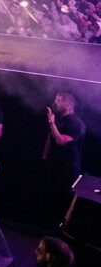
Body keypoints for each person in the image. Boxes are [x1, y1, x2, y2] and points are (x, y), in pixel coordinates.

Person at [42, 92, 87, 227]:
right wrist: (45, 156)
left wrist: (51, 122)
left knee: (63, 201)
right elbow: (50, 138)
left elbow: (61, 140)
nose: (55, 103)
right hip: (55, 166)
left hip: (67, 169)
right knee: (52, 199)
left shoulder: (77, 124)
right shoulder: (60, 120)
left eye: (59, 101)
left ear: (68, 104)